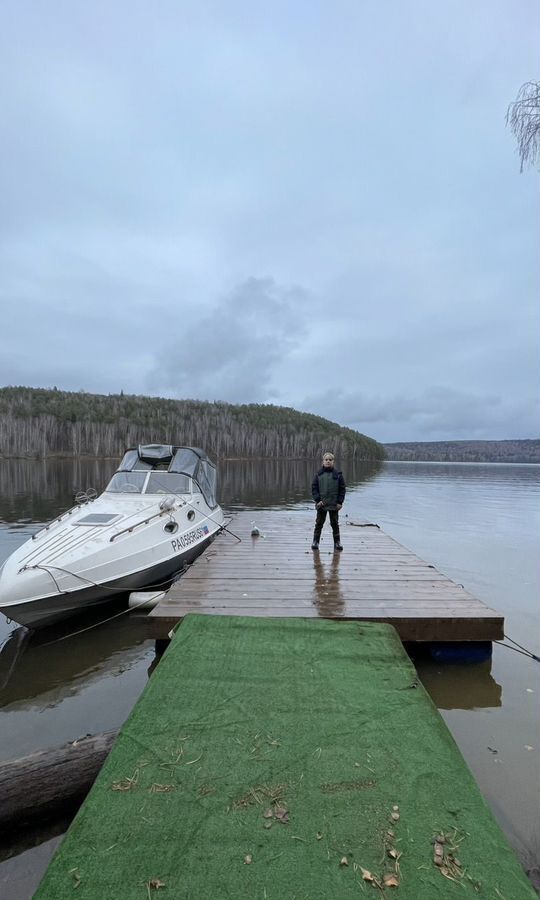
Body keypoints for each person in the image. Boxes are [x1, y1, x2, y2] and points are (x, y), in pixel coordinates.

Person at [311, 451, 346, 551]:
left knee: (334, 523)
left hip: (334, 504)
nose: (328, 461)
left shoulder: (338, 475)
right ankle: (315, 541)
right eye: (326, 460)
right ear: (323, 461)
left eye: (330, 460)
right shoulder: (318, 474)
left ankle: (337, 542)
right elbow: (314, 488)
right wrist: (317, 500)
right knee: (319, 523)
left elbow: (342, 489)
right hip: (321, 504)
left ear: (333, 462)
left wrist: (340, 502)